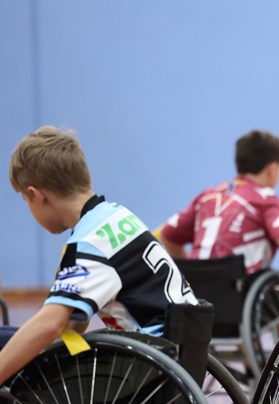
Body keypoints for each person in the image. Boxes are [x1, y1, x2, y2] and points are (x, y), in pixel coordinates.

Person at [0, 125, 199, 387]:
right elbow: (75, 322)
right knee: (21, 343)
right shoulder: (118, 215)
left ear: (36, 196)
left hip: (143, 371)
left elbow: (50, 325)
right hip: (180, 356)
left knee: (5, 342)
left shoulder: (89, 244)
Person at [157, 129, 279, 288]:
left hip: (198, 294)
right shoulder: (265, 199)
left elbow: (168, 235)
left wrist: (191, 273)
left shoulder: (207, 196)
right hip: (238, 294)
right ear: (272, 169)